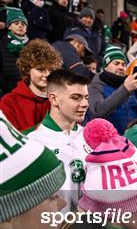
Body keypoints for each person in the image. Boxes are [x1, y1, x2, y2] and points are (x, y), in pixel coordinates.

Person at [25, 69, 89, 213]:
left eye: (86, 97)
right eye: (76, 97)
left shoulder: (90, 136)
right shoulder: (31, 140)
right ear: (54, 99)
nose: (85, 103)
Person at [0, 39, 63, 131]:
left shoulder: (62, 100)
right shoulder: (9, 102)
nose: (47, 75)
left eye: (51, 70)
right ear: (27, 70)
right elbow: (8, 141)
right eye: (40, 69)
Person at [88, 45, 137, 134]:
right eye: (116, 63)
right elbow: (98, 111)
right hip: (109, 141)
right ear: (105, 66)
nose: (121, 67)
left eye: (123, 64)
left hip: (133, 139)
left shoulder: (130, 83)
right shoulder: (96, 85)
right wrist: (125, 89)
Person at [0, 8, 28, 94]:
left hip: (27, 84)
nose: (20, 25)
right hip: (8, 86)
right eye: (16, 23)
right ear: (9, 26)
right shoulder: (3, 42)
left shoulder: (32, 44)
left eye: (23, 24)